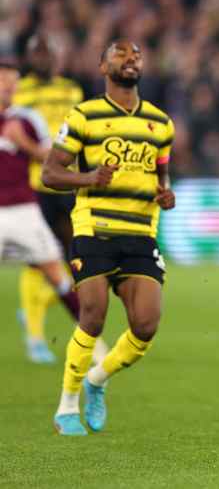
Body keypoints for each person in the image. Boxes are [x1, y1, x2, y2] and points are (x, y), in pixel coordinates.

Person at [43, 40, 176, 435]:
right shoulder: (84, 116)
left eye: (135, 54)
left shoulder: (161, 124)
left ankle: (97, 379)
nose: (130, 59)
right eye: (119, 54)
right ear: (102, 66)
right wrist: (87, 177)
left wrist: (164, 194)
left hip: (139, 233)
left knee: (146, 325)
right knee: (93, 314)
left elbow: (161, 178)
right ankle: (67, 406)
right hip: (95, 227)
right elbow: (51, 173)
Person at [12, 34, 104, 364]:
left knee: (76, 259)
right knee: (37, 258)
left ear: (57, 56)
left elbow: (82, 133)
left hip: (66, 184)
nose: (43, 59)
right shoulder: (20, 92)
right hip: (34, 184)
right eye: (37, 53)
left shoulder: (71, 90)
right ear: (30, 57)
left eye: (47, 53)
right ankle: (35, 336)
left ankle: (36, 306)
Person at [0, 59, 82, 356]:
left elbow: (48, 157)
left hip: (27, 205)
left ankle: (88, 336)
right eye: (4, 80)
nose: (9, 86)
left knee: (57, 268)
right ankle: (34, 333)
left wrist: (24, 143)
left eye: (13, 81)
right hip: (21, 202)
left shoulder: (27, 119)